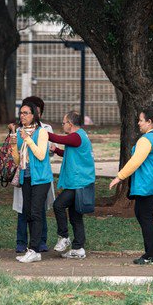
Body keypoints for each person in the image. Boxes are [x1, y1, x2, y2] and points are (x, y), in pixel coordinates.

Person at [109, 107, 153, 265]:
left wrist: (119, 177)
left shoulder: (146, 140)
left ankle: (151, 255)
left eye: (141, 120)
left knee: (145, 216)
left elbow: (135, 162)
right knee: (141, 213)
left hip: (148, 185)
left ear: (149, 122)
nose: (138, 123)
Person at [9, 96, 53, 253]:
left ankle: (35, 248)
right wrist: (14, 146)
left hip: (40, 178)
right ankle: (31, 247)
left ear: (34, 115)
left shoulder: (42, 132)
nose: (22, 116)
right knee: (27, 213)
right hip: (25, 176)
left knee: (36, 212)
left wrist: (28, 139)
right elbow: (17, 160)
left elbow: (41, 155)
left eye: (26, 113)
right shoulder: (20, 132)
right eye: (21, 113)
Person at [50, 110, 96, 259]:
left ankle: (64, 237)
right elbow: (71, 153)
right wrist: (57, 150)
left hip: (78, 182)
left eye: (64, 123)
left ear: (70, 124)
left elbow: (59, 138)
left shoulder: (76, 136)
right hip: (80, 182)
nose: (62, 125)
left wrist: (43, 134)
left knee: (58, 205)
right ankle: (78, 248)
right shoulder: (79, 136)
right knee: (75, 216)